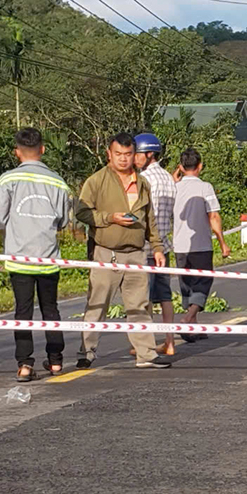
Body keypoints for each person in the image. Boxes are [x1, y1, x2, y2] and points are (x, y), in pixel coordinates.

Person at [73, 132, 169, 369]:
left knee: (139, 306)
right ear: (109, 154)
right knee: (97, 304)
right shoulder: (96, 181)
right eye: (118, 154)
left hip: (136, 253)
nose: (123, 159)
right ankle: (87, 351)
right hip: (106, 252)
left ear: (134, 155)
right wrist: (109, 218)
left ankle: (146, 354)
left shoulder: (143, 183)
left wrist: (157, 247)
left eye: (128, 154)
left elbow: (150, 219)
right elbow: (82, 212)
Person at [0, 127, 72, 382]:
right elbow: (63, 221)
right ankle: (56, 361)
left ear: (17, 152)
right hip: (48, 257)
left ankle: (25, 364)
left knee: (23, 311)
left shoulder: (7, 180)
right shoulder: (57, 182)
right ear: (43, 149)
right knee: (51, 309)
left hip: (19, 258)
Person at [170, 147, 231, 342]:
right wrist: (222, 242)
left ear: (181, 167)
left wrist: (174, 179)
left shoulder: (174, 188)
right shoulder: (205, 187)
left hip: (180, 245)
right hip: (201, 245)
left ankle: (193, 326)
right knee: (203, 282)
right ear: (200, 166)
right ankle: (188, 318)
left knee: (187, 285)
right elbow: (213, 216)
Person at [133, 132, 177, 355]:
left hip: (147, 246)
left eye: (138, 153)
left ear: (149, 154)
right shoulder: (169, 178)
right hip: (165, 246)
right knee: (165, 296)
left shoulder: (144, 179)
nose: (134, 158)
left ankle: (146, 345)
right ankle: (170, 342)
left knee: (144, 298)